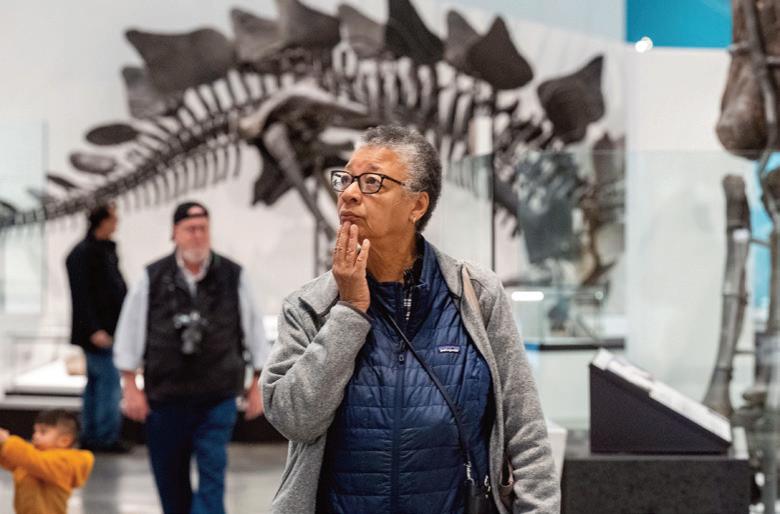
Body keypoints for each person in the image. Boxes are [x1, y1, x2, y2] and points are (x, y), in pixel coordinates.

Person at [262, 125, 560, 514]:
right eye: (346, 179)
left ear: (416, 206)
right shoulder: (309, 306)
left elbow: (526, 429)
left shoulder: (476, 295)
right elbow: (294, 420)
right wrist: (349, 311)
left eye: (372, 182)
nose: (349, 193)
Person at [113, 201, 269, 514]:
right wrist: (130, 385)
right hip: (165, 398)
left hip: (217, 397)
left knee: (212, 479)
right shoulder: (152, 277)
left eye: (203, 229)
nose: (197, 235)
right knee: (171, 484)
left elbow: (254, 328)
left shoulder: (233, 275)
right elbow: (130, 330)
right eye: (190, 229)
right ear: (175, 232)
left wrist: (258, 381)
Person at [65, 202, 129, 452]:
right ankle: (103, 437)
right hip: (98, 332)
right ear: (102, 221)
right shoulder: (83, 254)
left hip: (107, 328)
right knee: (107, 383)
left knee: (97, 383)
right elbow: (82, 296)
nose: (117, 223)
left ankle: (94, 434)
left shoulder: (103, 251)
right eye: (113, 218)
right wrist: (93, 329)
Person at [0, 409, 94, 514]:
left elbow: (36, 460)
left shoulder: (65, 463)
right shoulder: (32, 457)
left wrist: (7, 442)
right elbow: (14, 460)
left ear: (64, 441)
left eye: (43, 432)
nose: (35, 436)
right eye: (35, 431)